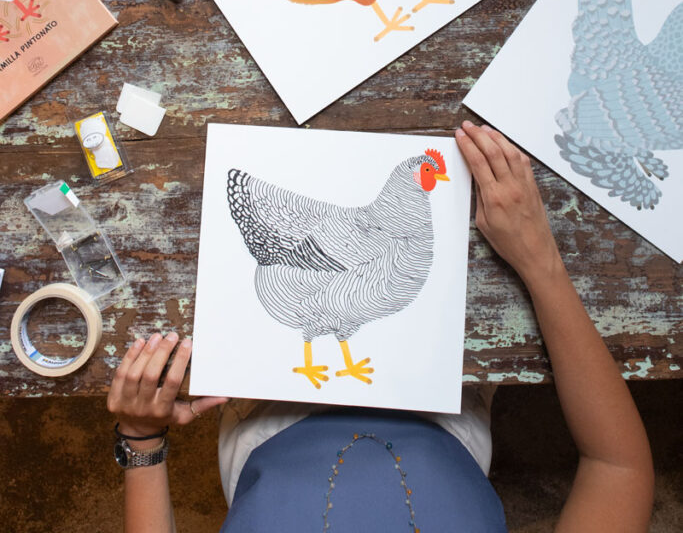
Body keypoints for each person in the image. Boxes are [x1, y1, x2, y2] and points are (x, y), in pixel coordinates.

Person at [107, 122, 654, 532]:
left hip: (269, 419)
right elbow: (618, 467)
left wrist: (142, 440)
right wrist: (541, 261)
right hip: (443, 416)